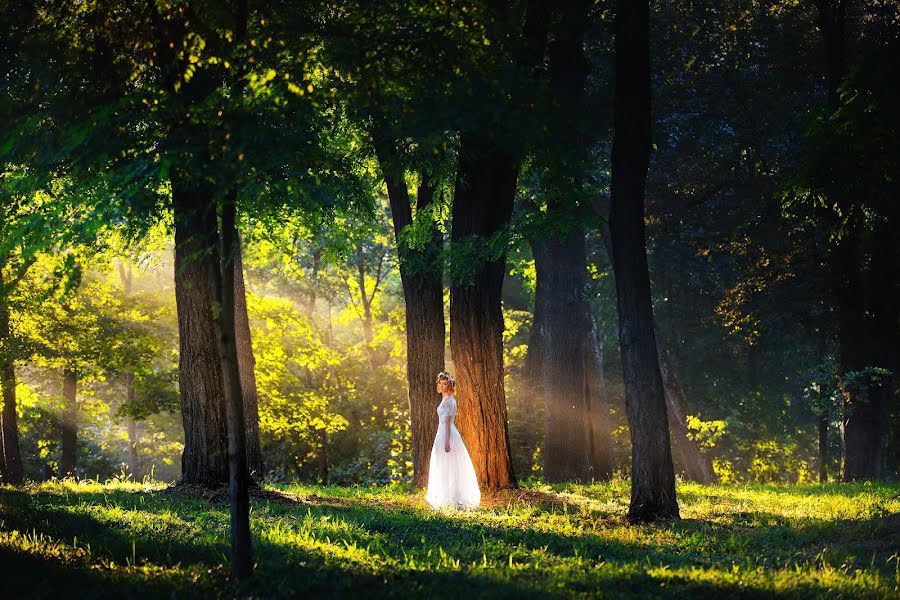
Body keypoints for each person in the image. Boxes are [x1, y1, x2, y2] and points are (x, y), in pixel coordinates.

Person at [425, 372, 481, 510]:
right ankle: (445, 495)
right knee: (443, 463)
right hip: (441, 432)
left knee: (450, 463)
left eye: (445, 384)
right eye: (441, 384)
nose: (442, 386)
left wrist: (447, 441)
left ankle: (455, 497)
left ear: (450, 385)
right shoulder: (444, 399)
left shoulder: (450, 400)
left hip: (447, 434)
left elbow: (449, 422)